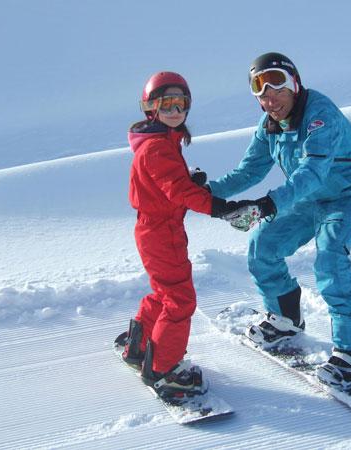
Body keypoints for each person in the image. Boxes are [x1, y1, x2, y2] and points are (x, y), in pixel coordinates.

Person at [209, 52, 351, 390]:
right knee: (264, 244)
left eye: (278, 85)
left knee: (331, 255)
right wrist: (200, 191)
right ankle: (285, 318)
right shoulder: (269, 126)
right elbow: (247, 171)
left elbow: (312, 173)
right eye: (260, 89)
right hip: (310, 197)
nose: (270, 96)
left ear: (295, 84)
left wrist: (268, 204)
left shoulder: (320, 116)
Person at [122, 71, 234, 400]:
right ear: (150, 108)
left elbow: (171, 184)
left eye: (180, 103)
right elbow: (177, 190)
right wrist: (219, 207)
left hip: (156, 228)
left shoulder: (160, 141)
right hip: (161, 230)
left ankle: (139, 345)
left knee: (166, 290)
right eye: (165, 103)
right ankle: (164, 370)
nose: (174, 110)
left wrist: (190, 180)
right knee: (181, 299)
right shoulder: (157, 147)